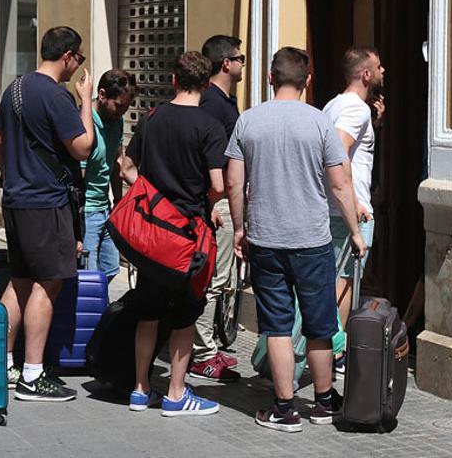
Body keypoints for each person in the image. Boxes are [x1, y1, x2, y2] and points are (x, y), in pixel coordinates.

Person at [224, 47, 366, 432]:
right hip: (312, 239)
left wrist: (240, 228)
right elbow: (340, 183)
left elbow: (234, 182)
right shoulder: (319, 122)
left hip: (266, 238)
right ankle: (323, 402)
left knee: (277, 325)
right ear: (307, 81)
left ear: (270, 78)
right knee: (320, 324)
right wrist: (354, 232)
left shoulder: (248, 121)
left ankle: (285, 408)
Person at [120, 51, 225, 417]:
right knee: (184, 315)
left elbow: (126, 168)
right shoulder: (210, 126)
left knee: (148, 310)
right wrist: (206, 202)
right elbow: (218, 184)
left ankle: (140, 389)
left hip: (153, 234)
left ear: (174, 80)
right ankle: (176, 394)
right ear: (207, 84)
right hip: (189, 235)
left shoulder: (151, 119)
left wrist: (154, 199)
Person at [0, 26, 94, 402]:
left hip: (16, 199)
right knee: (47, 283)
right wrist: (86, 100)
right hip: (46, 201)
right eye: (78, 58)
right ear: (67, 55)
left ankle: (2, 364)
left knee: (19, 280)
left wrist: (12, 175)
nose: (78, 66)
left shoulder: (15, 88)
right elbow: (83, 147)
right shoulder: (56, 95)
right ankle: (33, 375)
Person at [322, 46, 385, 373]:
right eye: (379, 66)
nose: (383, 71)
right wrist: (354, 202)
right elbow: (339, 151)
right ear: (365, 74)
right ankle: (337, 352)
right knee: (344, 282)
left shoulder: (333, 105)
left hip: (334, 208)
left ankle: (330, 349)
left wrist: (375, 124)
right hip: (349, 212)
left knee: (337, 279)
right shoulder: (355, 109)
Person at [189, 35, 246, 381]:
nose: (242, 64)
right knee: (214, 279)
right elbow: (207, 156)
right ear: (226, 63)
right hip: (217, 200)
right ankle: (203, 353)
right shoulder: (212, 103)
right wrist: (214, 199)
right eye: (240, 58)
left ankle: (207, 346)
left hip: (222, 198)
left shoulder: (222, 101)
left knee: (219, 278)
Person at [80, 69, 136, 283]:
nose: (122, 112)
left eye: (127, 107)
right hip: (87, 212)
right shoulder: (85, 122)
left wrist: (119, 202)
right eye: (119, 106)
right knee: (89, 276)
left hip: (106, 209)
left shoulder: (116, 121)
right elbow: (79, 174)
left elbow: (115, 162)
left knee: (111, 268)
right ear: (102, 95)